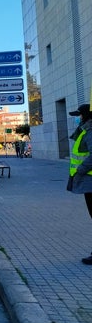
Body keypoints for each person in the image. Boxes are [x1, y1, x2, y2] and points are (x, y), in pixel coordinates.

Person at [67, 104, 92, 265]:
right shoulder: (85, 131)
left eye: (79, 115)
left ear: (85, 116)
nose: (78, 118)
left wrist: (80, 171)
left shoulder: (90, 132)